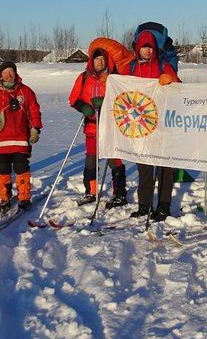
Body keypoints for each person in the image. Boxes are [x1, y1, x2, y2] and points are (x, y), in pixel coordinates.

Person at [126, 29, 180, 221]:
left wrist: (171, 79)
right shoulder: (131, 67)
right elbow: (122, 90)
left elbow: (178, 87)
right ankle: (144, 206)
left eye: (150, 48)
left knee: (165, 167)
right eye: (144, 48)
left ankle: (164, 206)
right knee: (144, 168)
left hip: (163, 123)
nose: (147, 51)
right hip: (140, 125)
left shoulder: (163, 65)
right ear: (138, 48)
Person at [0, 61, 43, 214]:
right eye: (5, 72)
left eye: (11, 72)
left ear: (16, 73)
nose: (9, 75)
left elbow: (34, 111)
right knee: (2, 170)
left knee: (21, 168)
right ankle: (5, 198)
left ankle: (24, 197)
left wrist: (36, 128)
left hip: (20, 140)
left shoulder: (25, 92)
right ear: (0, 75)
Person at [68, 45, 128, 208]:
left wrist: (107, 102)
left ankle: (119, 194)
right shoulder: (84, 77)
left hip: (110, 127)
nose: (100, 62)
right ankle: (91, 192)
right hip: (92, 126)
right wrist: (83, 107)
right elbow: (73, 98)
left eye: (103, 59)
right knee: (90, 161)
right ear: (91, 61)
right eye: (97, 59)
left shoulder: (113, 78)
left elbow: (123, 99)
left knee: (114, 161)